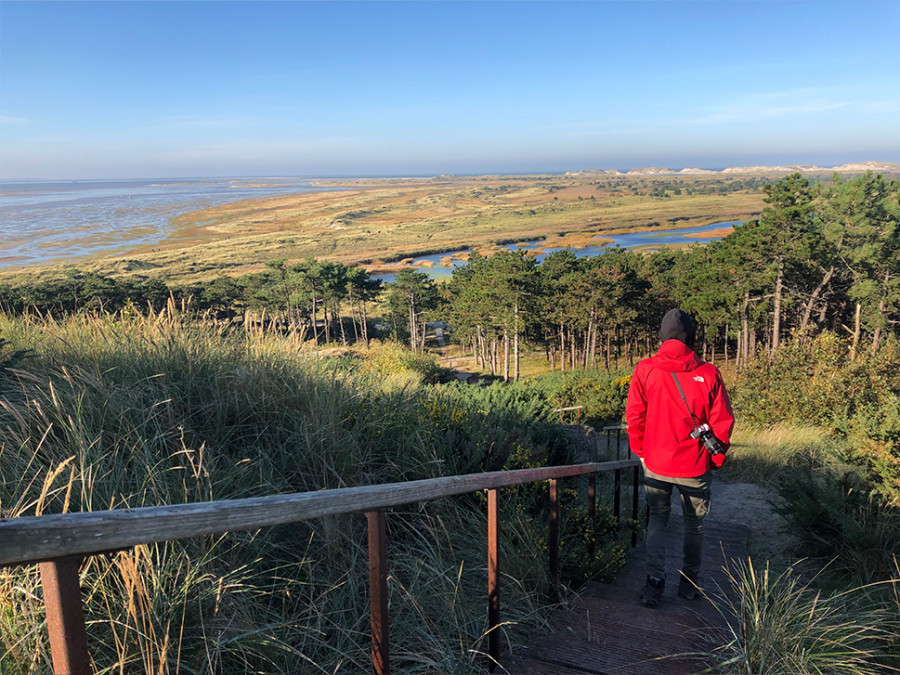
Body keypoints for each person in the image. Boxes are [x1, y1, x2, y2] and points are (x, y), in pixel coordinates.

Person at [626, 308, 735, 608]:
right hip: (695, 466)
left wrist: (641, 452)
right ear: (691, 336)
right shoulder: (709, 373)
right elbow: (723, 422)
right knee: (694, 526)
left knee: (658, 520)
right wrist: (714, 459)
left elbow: (635, 417)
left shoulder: (645, 369)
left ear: (662, 336)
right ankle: (688, 585)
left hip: (657, 464)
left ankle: (654, 584)